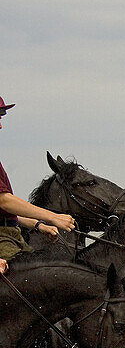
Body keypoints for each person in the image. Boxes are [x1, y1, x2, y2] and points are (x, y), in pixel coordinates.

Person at [0, 96, 75, 261]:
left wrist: (38, 225)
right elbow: (4, 202)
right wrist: (53, 217)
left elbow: (6, 212)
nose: (0, 125)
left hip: (11, 235)